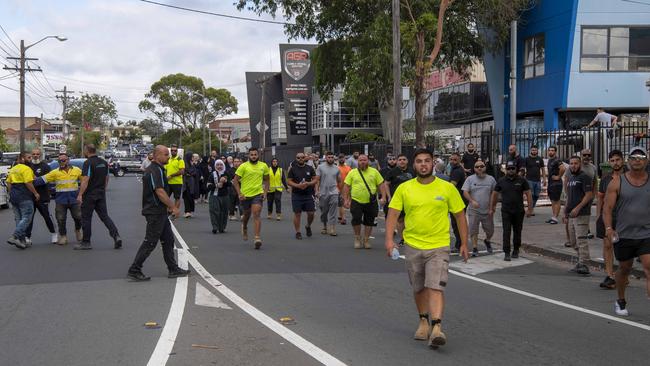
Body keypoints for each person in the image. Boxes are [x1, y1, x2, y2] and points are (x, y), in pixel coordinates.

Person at [385, 148, 469, 349]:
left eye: (427, 161)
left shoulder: (446, 188)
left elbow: (459, 215)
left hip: (439, 245)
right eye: (420, 161)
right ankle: (423, 321)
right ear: (414, 165)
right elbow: (393, 215)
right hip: (413, 245)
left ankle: (437, 327)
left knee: (435, 286)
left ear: (433, 163)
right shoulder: (405, 188)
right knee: (418, 287)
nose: (423, 164)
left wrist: (464, 243)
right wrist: (389, 240)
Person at [127, 145, 190, 281]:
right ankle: (134, 269)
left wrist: (166, 207)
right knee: (150, 241)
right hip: (154, 212)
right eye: (166, 154)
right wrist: (173, 207)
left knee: (168, 240)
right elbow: (159, 191)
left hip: (160, 211)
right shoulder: (155, 170)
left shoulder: (158, 169)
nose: (168, 156)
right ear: (157, 156)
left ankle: (173, 268)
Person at [603, 147, 650, 316]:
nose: (637, 160)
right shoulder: (617, 182)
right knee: (625, 268)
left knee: (648, 266)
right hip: (624, 235)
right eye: (634, 157)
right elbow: (607, 209)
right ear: (628, 161)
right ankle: (620, 300)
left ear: (646, 161)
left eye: (641, 157)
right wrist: (609, 228)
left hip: (646, 234)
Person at [77, 144, 121, 250]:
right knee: (104, 216)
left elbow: (85, 179)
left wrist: (80, 194)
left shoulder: (88, 163)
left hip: (89, 195)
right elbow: (107, 177)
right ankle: (116, 236)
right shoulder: (103, 162)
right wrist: (103, 189)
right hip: (100, 193)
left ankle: (86, 243)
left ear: (87, 151)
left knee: (86, 218)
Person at [35, 153, 83, 245]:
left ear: (68, 160)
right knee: (60, 219)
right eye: (59, 161)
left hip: (74, 199)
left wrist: (82, 193)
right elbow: (42, 180)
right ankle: (63, 236)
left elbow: (84, 181)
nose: (62, 162)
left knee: (78, 217)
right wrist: (29, 180)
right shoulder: (55, 172)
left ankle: (78, 230)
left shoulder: (77, 170)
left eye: (64, 160)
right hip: (61, 200)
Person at [342, 154, 389, 249]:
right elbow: (346, 186)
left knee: (369, 221)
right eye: (360, 160)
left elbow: (381, 184)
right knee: (356, 219)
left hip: (371, 201)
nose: (363, 162)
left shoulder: (374, 172)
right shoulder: (352, 172)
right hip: (356, 200)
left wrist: (383, 197)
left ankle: (366, 239)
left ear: (368, 161)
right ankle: (357, 238)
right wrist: (346, 199)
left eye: (364, 160)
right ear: (357, 162)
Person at [490, 160, 533, 261]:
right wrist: (493, 207)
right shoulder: (501, 180)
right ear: (506, 170)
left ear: (516, 169)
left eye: (513, 168)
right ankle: (507, 252)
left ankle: (516, 249)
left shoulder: (522, 180)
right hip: (506, 211)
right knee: (506, 231)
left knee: (517, 231)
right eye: (509, 169)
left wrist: (529, 209)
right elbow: (495, 194)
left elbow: (528, 194)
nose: (511, 170)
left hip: (519, 211)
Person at [596, 150, 623, 289]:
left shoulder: (628, 177)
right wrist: (598, 216)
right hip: (608, 217)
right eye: (612, 160)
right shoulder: (606, 179)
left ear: (622, 160)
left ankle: (623, 276)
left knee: (623, 249)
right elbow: (600, 197)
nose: (615, 163)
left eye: (617, 160)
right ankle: (610, 275)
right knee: (607, 246)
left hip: (625, 219)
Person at [233, 148, 269, 249]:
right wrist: (239, 193)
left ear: (258, 155)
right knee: (246, 215)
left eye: (255, 154)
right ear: (248, 155)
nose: (254, 156)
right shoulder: (243, 166)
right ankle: (244, 227)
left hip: (258, 194)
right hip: (245, 195)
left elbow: (267, 180)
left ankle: (257, 238)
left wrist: (265, 193)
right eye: (252, 154)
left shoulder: (263, 166)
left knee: (256, 214)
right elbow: (235, 181)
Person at [563, 156, 594, 275]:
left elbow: (589, 195)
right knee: (572, 241)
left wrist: (578, 207)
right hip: (571, 214)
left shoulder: (584, 177)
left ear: (580, 164)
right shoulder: (570, 177)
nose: (573, 165)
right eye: (571, 163)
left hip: (582, 213)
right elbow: (568, 197)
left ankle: (584, 264)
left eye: (576, 163)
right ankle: (580, 261)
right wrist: (565, 212)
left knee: (581, 240)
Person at [462, 160, 496, 256]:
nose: (480, 168)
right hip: (474, 210)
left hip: (487, 210)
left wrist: (492, 207)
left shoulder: (491, 179)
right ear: (474, 169)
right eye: (477, 167)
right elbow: (465, 192)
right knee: (473, 229)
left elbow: (495, 193)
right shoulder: (470, 179)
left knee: (490, 230)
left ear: (485, 167)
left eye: (481, 166)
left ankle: (487, 240)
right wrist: (472, 201)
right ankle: (475, 247)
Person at [6, 152, 39, 249]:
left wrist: (11, 194)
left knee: (19, 218)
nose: (31, 159)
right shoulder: (26, 168)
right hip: (24, 195)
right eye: (29, 157)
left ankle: (22, 241)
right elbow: (28, 182)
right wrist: (35, 193)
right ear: (22, 159)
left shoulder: (13, 169)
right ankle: (14, 236)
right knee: (27, 217)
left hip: (14, 196)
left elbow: (9, 183)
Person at [564, 149, 597, 240]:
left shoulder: (593, 167)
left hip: (587, 196)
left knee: (585, 214)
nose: (586, 157)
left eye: (588, 155)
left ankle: (586, 230)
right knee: (570, 217)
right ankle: (569, 239)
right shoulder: (574, 166)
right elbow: (566, 181)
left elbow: (594, 182)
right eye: (584, 155)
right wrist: (568, 195)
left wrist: (594, 195)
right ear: (581, 156)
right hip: (574, 196)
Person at [26, 148, 57, 245]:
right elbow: (25, 181)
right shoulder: (28, 166)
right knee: (29, 217)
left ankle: (54, 233)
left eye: (37, 154)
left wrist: (35, 180)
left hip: (42, 196)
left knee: (46, 216)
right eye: (33, 154)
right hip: (30, 196)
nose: (35, 156)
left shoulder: (45, 166)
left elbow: (48, 179)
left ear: (40, 155)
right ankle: (28, 237)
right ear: (31, 155)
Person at [384, 154, 415, 244]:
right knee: (400, 219)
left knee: (411, 218)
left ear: (407, 161)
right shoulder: (392, 172)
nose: (402, 161)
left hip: (411, 198)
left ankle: (411, 236)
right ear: (397, 161)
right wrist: (389, 196)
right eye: (400, 159)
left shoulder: (413, 171)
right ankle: (403, 238)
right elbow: (386, 184)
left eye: (404, 159)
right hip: (397, 199)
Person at [287, 152, 318, 239]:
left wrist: (308, 183)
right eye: (298, 158)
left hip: (308, 194)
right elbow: (289, 181)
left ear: (305, 158)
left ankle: (308, 226)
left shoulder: (310, 168)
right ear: (296, 159)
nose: (300, 159)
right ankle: (298, 232)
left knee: (311, 213)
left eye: (302, 157)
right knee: (297, 214)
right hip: (297, 194)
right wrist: (298, 186)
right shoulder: (293, 169)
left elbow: (315, 179)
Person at [315, 151, 341, 236]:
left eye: (332, 157)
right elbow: (317, 180)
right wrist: (317, 191)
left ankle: (332, 228)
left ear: (334, 158)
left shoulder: (337, 168)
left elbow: (339, 180)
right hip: (323, 192)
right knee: (324, 211)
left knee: (334, 208)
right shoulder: (320, 167)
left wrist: (339, 190)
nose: (330, 159)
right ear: (326, 158)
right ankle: (324, 225)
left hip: (334, 191)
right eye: (329, 157)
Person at [208, 159, 232, 234]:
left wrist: (226, 181)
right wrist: (216, 185)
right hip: (214, 196)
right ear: (215, 166)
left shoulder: (226, 173)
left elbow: (231, 184)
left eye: (221, 165)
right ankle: (215, 227)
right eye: (217, 165)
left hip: (224, 196)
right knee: (214, 211)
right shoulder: (212, 174)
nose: (219, 166)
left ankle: (222, 227)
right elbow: (208, 186)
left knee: (224, 212)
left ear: (223, 165)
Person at [448, 153, 466, 252]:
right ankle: (459, 244)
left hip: (457, 200)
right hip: (457, 199)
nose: (452, 161)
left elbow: (452, 185)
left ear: (459, 160)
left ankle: (459, 244)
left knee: (456, 224)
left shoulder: (457, 171)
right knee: (456, 223)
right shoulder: (455, 169)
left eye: (455, 160)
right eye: (451, 159)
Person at [545, 146, 565, 225]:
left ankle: (555, 218)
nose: (551, 152)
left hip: (556, 184)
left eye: (552, 150)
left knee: (556, 200)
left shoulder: (557, 160)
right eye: (549, 150)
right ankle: (553, 216)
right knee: (553, 200)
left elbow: (563, 168)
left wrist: (558, 177)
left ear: (555, 152)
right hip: (551, 183)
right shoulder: (550, 160)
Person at [524, 145, 545, 215]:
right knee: (531, 195)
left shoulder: (540, 159)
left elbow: (543, 169)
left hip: (538, 180)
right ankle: (531, 210)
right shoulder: (526, 159)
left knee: (536, 195)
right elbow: (523, 169)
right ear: (530, 150)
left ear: (537, 151)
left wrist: (544, 179)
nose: (534, 151)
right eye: (533, 150)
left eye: (535, 150)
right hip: (529, 179)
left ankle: (531, 208)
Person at [165, 145, 185, 212]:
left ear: (177, 151)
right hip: (168, 182)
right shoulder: (169, 159)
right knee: (166, 197)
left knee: (177, 197)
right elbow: (165, 169)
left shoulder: (180, 160)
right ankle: (169, 209)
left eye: (175, 150)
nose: (173, 151)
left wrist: (171, 176)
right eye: (172, 150)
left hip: (177, 182)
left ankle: (175, 210)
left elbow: (182, 171)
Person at [181, 153, 200, 218]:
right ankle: (187, 211)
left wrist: (190, 173)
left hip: (192, 183)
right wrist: (189, 173)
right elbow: (185, 172)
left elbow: (195, 172)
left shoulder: (192, 164)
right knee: (186, 197)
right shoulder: (184, 163)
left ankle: (190, 211)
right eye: (191, 156)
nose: (193, 158)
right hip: (186, 183)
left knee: (191, 197)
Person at [337, 153, 352, 225]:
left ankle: (342, 217)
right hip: (337, 188)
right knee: (341, 204)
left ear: (344, 159)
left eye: (342, 158)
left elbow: (352, 178)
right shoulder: (336, 168)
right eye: (340, 158)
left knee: (342, 203)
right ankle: (342, 217)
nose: (341, 159)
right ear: (338, 159)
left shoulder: (348, 168)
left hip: (346, 188)